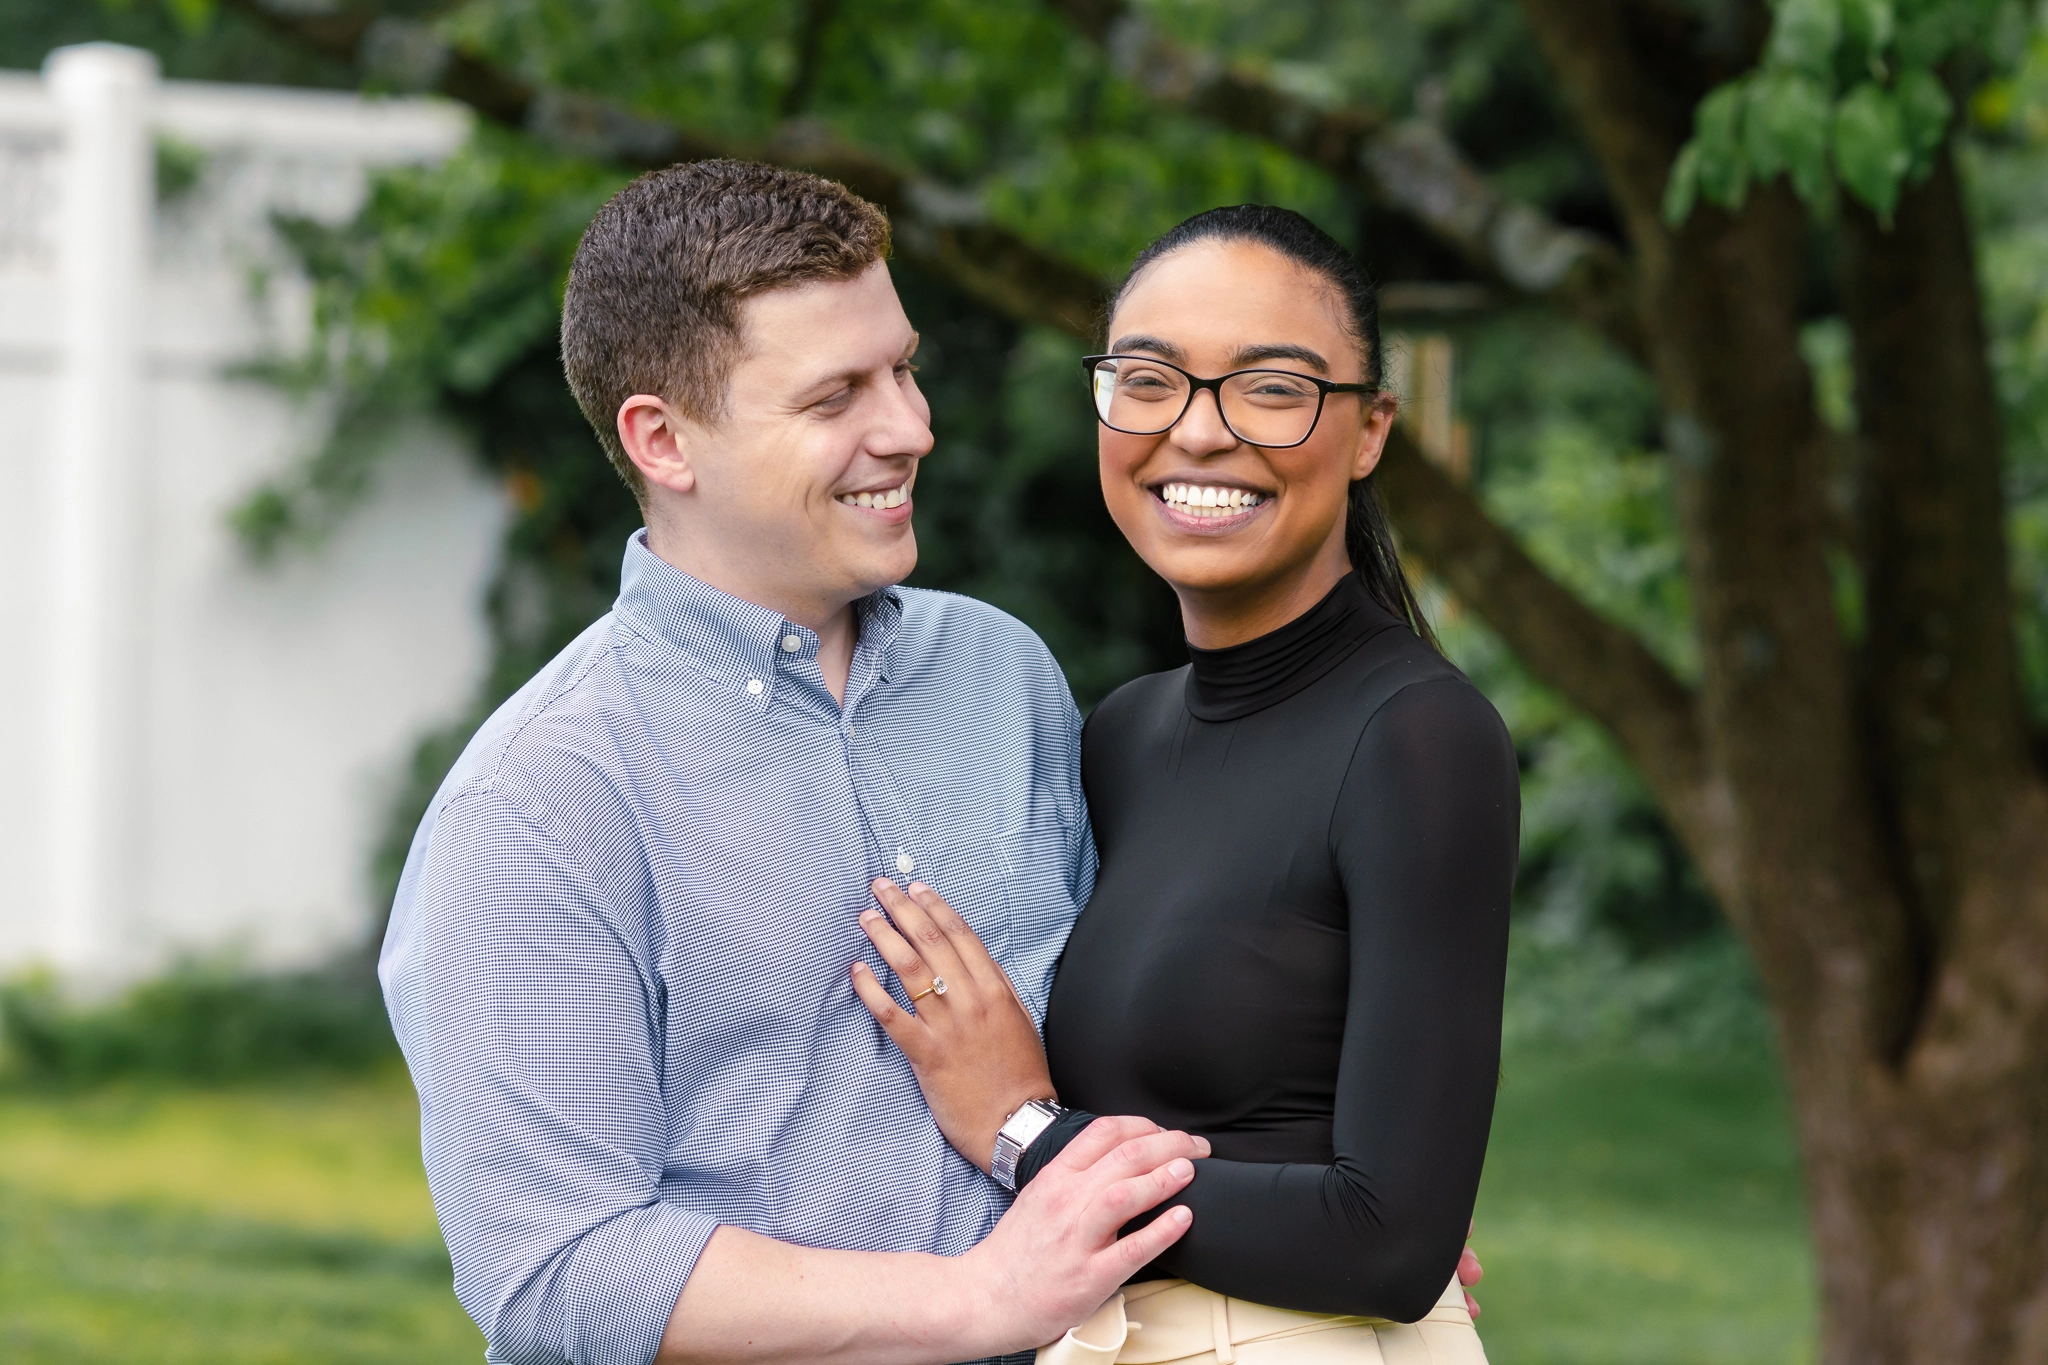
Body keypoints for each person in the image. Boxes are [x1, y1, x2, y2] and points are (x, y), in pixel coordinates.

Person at [378, 159, 1211, 1365]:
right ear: (664, 440)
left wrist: (1282, 1214)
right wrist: (979, 1302)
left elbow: (1112, 1039)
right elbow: (556, 1267)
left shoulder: (1001, 674)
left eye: (903, 369)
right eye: (834, 399)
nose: (910, 429)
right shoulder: (539, 802)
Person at [848, 206, 1518, 1364]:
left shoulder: (1417, 737)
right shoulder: (1123, 736)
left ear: (1367, 432)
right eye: (1149, 380)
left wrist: (1021, 1134)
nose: (1197, 436)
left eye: (1269, 389)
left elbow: (1389, 1243)